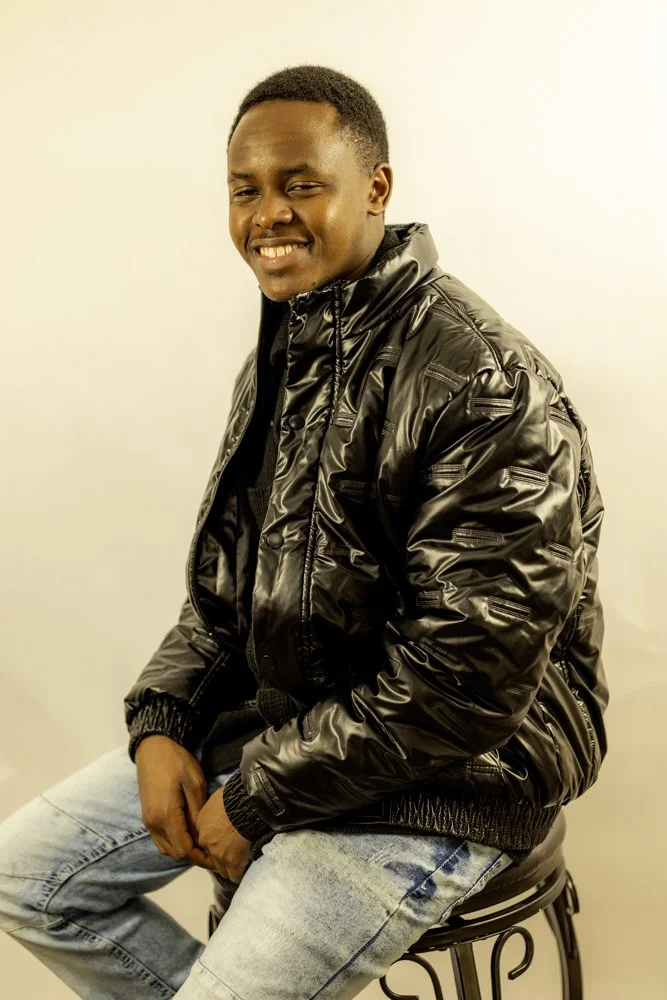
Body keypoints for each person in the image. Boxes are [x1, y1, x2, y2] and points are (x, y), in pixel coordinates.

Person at [0, 64, 608, 1000]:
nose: (265, 215)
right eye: (245, 190)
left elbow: (465, 682)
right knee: (27, 878)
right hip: (299, 730)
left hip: (457, 771)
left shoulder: (483, 382)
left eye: (299, 184)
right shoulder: (288, 353)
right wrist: (161, 722)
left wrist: (258, 795)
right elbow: (224, 595)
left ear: (376, 187)